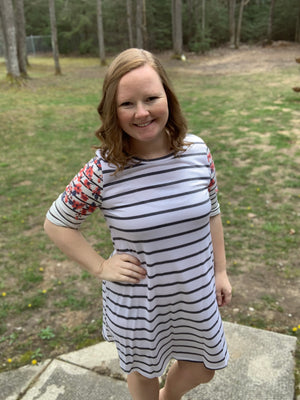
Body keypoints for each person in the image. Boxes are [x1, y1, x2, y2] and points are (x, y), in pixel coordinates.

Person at [44, 48, 232, 400]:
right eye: (127, 103)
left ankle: (169, 396)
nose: (142, 112)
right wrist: (101, 265)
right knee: (144, 374)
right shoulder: (103, 169)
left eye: (151, 98)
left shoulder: (197, 151)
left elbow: (212, 210)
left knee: (203, 368)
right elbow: (57, 224)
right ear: (112, 111)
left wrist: (220, 271)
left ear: (168, 98)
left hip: (195, 293)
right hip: (140, 301)